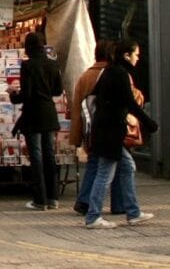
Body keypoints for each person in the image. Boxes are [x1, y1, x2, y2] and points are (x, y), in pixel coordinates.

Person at [84, 39, 158, 229]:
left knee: (127, 167)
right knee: (104, 174)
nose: (138, 58)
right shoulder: (119, 73)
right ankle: (93, 216)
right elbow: (130, 102)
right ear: (127, 55)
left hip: (105, 130)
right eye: (136, 54)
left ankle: (133, 212)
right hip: (110, 131)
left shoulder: (109, 71)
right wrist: (148, 122)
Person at [9, 31, 63, 211]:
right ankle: (53, 197)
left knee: (37, 156)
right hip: (49, 112)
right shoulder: (53, 64)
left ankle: (39, 199)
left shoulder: (28, 66)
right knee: (49, 155)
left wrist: (13, 94)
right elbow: (57, 91)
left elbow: (27, 94)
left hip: (33, 114)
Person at [70, 41, 123, 216]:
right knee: (116, 164)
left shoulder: (85, 76)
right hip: (111, 127)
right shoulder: (114, 73)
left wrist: (76, 136)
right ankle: (117, 204)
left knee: (94, 163)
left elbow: (77, 107)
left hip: (90, 129)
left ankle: (84, 200)